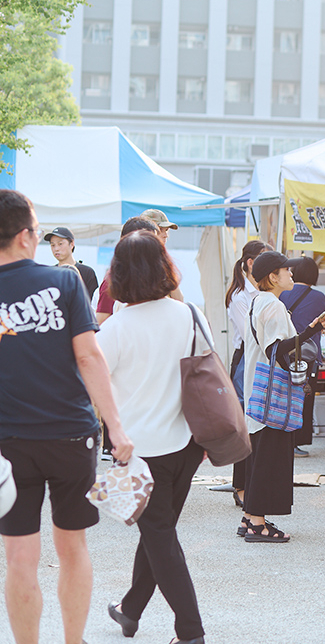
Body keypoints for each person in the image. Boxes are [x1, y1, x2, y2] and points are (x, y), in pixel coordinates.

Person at [0, 189, 134, 644]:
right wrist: (115, 427)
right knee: (72, 546)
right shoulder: (64, 282)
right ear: (24, 235)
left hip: (8, 440)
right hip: (71, 436)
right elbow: (90, 359)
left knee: (19, 555)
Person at [98, 231, 207, 644]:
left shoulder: (117, 328)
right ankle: (130, 610)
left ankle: (191, 632)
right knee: (158, 532)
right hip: (187, 444)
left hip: (140, 451)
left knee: (160, 538)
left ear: (118, 273)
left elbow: (89, 382)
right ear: (166, 266)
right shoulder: (190, 315)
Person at [241, 251, 325, 542]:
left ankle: (250, 518)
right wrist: (312, 330)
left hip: (257, 389)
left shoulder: (257, 302)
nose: (291, 274)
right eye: (286, 271)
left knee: (259, 455)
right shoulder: (274, 306)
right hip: (272, 393)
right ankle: (257, 523)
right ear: (272, 277)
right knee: (269, 457)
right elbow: (277, 350)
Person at [225, 240, 273, 509]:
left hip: (259, 356)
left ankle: (250, 484)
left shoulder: (260, 292)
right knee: (245, 425)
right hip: (246, 358)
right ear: (252, 263)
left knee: (255, 423)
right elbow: (251, 334)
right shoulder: (240, 295)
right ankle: (241, 485)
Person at [280, 257, 325, 458]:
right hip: (308, 356)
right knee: (304, 398)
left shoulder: (282, 293)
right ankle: (296, 442)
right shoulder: (318, 297)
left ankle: (283, 440)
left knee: (284, 396)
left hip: (284, 353)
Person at [95, 217, 160, 325]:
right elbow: (101, 321)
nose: (154, 246)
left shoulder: (157, 276)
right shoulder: (114, 279)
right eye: (148, 240)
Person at [139, 209, 184, 301]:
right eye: (160, 230)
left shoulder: (163, 260)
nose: (165, 235)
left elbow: (179, 299)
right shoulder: (133, 260)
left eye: (166, 230)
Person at [44, 226, 98, 301]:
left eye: (60, 244)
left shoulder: (87, 272)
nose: (56, 249)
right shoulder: (49, 273)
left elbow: (92, 304)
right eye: (52, 245)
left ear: (72, 244)